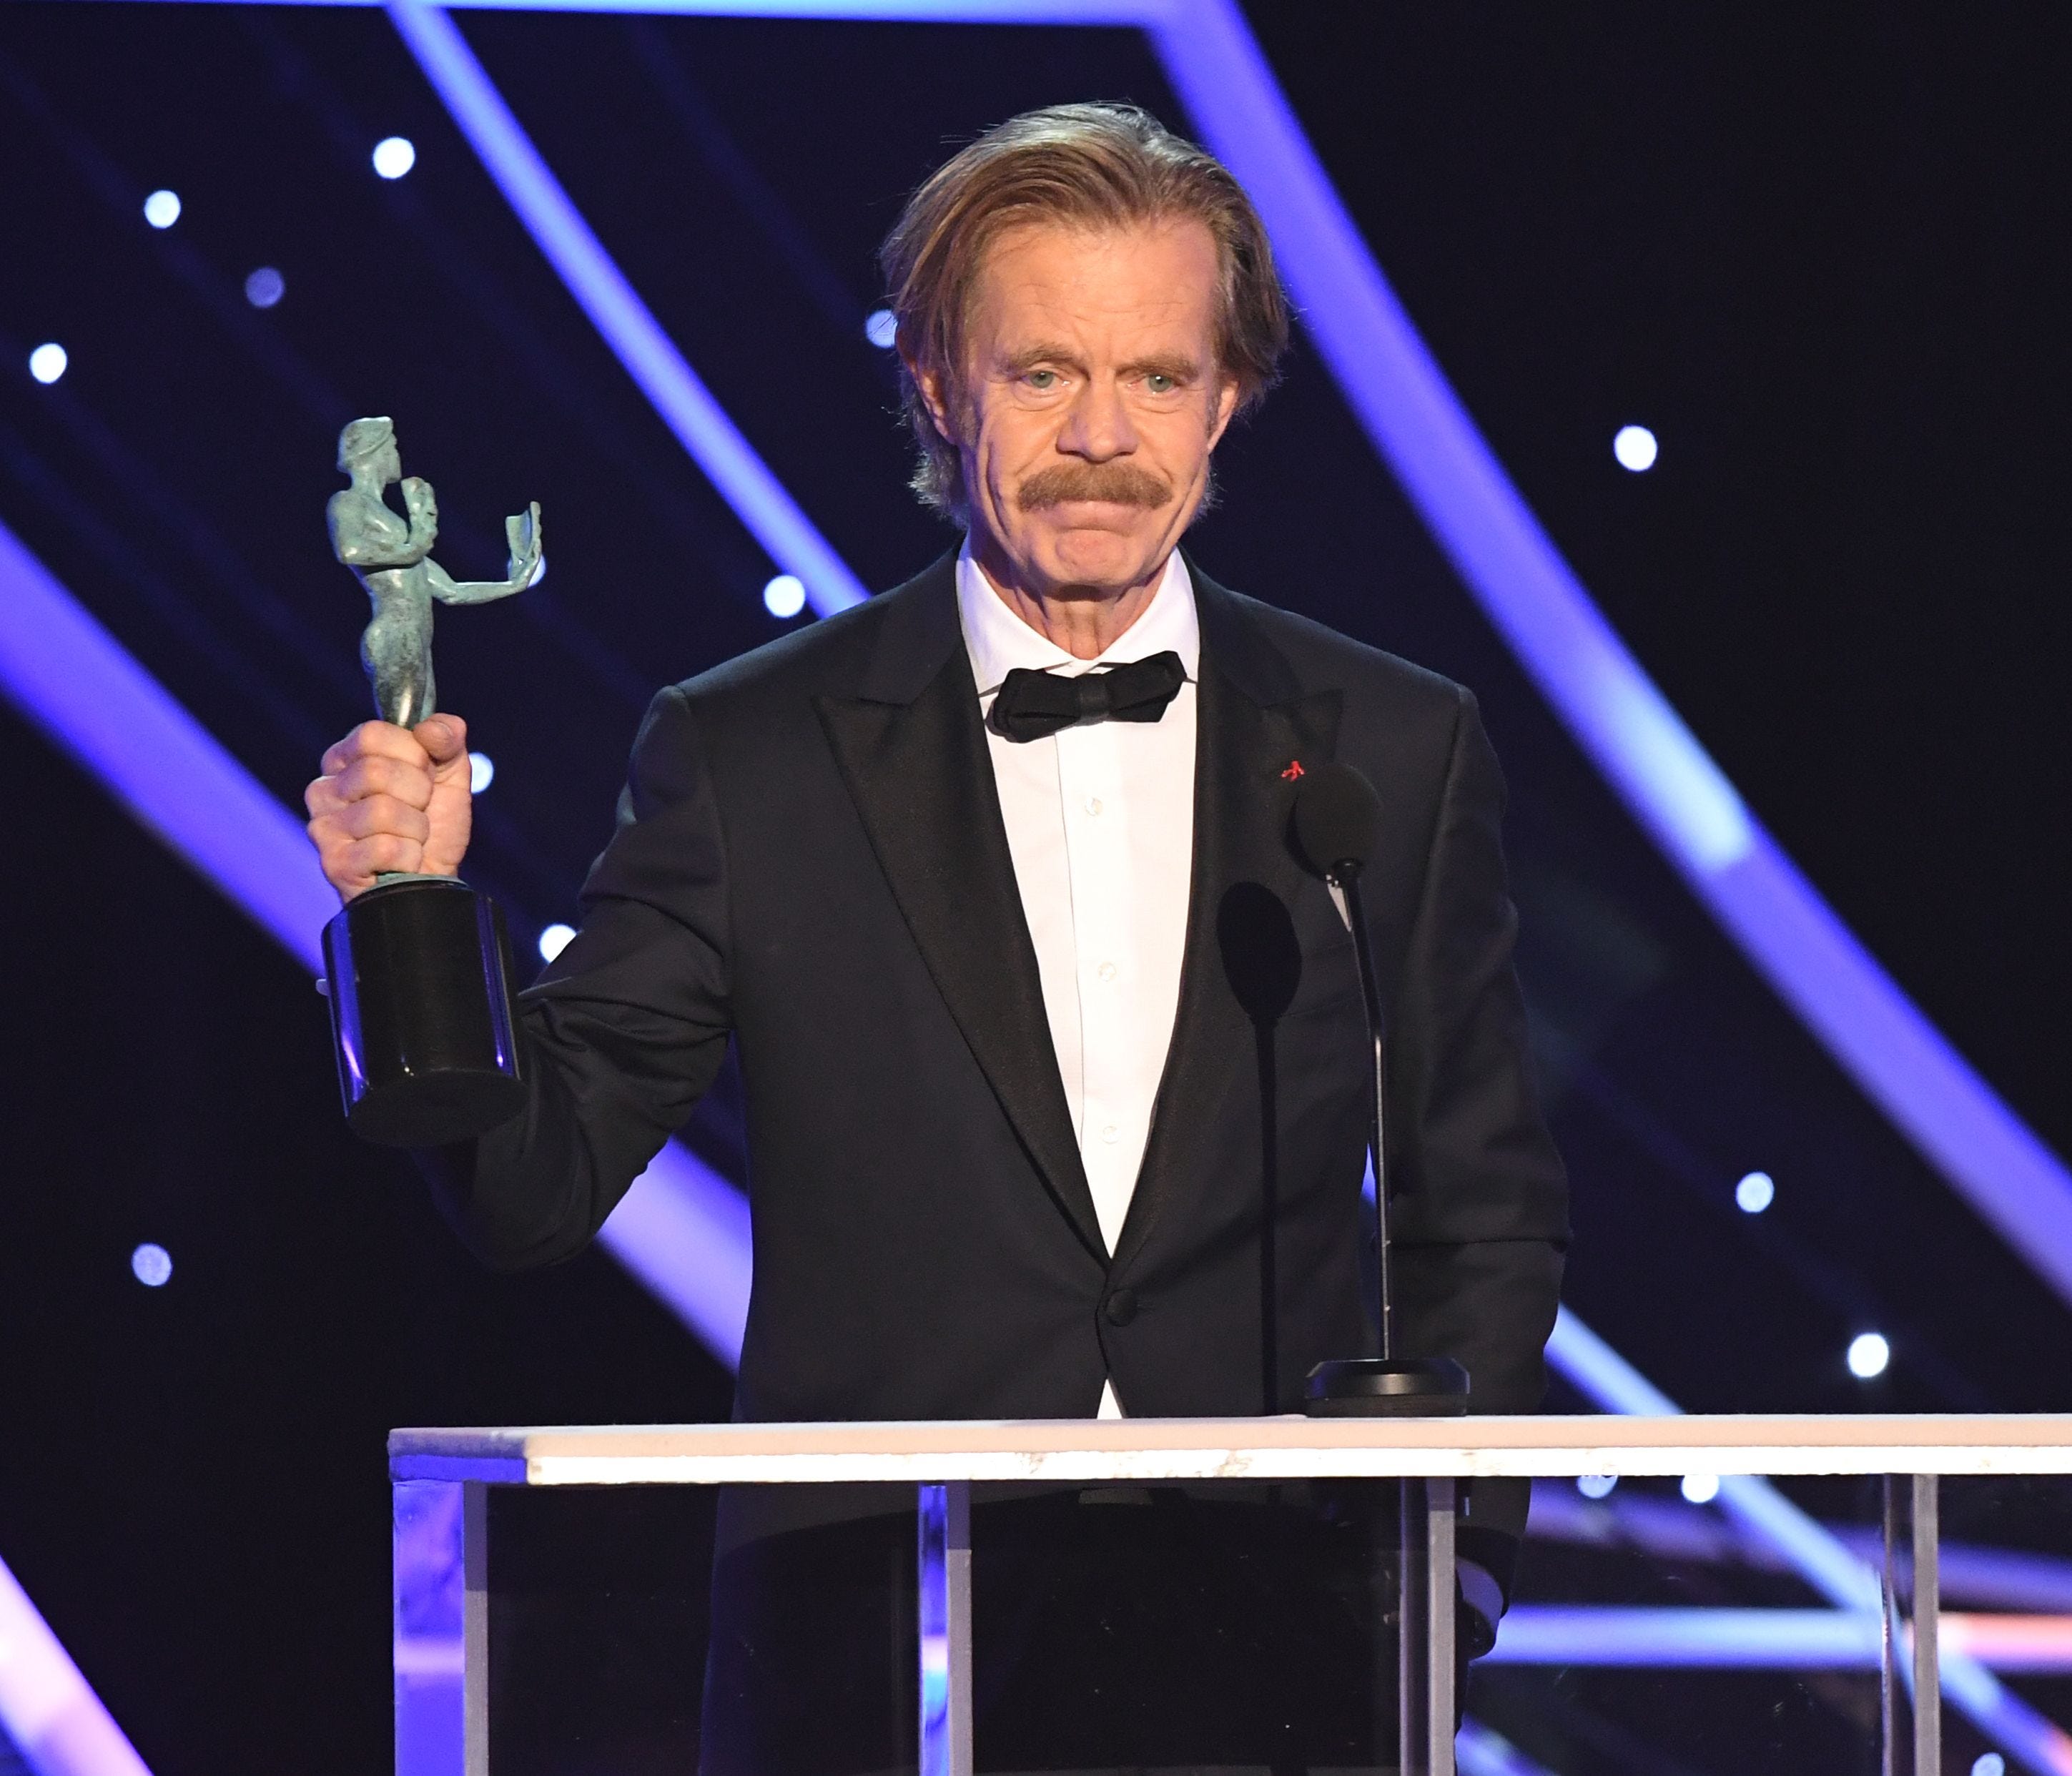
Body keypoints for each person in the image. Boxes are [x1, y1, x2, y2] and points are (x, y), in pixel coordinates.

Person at [306, 103, 1569, 1772]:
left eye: (1158, 378)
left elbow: (1476, 1209)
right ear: (935, 387)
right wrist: (406, 920)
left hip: (1281, 1660)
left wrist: (1440, 1581)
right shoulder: (753, 750)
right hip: (871, 1655)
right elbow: (534, 1189)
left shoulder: (1391, 749)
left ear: (1230, 398)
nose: (1101, 437)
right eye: (1043, 373)